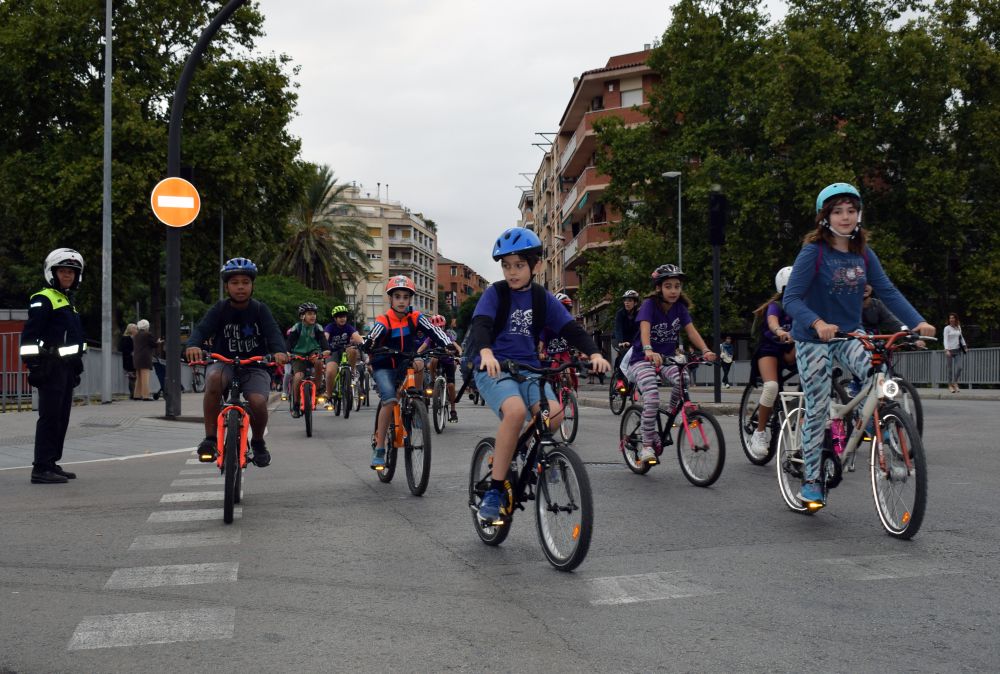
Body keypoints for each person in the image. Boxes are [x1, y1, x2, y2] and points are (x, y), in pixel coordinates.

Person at [783, 182, 935, 508]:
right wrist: (817, 323)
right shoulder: (814, 252)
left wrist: (917, 322)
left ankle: (889, 440)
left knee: (881, 378)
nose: (845, 217)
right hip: (814, 337)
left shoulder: (863, 253)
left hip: (850, 333)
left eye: (851, 211)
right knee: (819, 406)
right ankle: (812, 479)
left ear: (859, 214)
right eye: (837, 211)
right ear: (825, 217)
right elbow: (791, 298)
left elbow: (888, 291)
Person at [467, 227, 610, 523]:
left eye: (519, 265)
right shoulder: (497, 293)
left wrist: (594, 353)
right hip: (494, 368)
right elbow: (481, 324)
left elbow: (570, 329)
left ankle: (524, 451)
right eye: (506, 266)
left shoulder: (542, 299)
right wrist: (486, 352)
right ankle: (494, 490)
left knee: (555, 415)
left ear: (536, 266)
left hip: (530, 370)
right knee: (516, 412)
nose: (512, 272)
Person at [184, 258, 288, 467]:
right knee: (213, 379)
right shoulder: (220, 309)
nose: (240, 286)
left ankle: (258, 442)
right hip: (224, 362)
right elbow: (202, 330)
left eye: (245, 282)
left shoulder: (260, 310)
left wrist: (279, 351)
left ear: (252, 285)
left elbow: (274, 333)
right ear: (226, 286)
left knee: (258, 402)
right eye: (235, 282)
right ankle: (210, 439)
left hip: (255, 365)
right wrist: (193, 345)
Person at [361, 275, 458, 470]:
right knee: (389, 400)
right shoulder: (384, 320)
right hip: (384, 364)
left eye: (406, 297)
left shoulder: (416, 317)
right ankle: (380, 448)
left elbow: (434, 330)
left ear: (410, 299)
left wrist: (447, 344)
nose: (402, 301)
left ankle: (416, 401)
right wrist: (369, 344)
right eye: (397, 296)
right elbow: (375, 334)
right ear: (391, 298)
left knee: (420, 363)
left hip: (406, 360)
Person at [628, 264, 716, 466]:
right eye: (668, 286)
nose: (674, 290)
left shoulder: (680, 308)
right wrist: (649, 349)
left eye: (677, 286)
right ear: (659, 288)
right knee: (651, 397)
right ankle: (647, 444)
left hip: (667, 358)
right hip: (643, 358)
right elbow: (644, 329)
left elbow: (691, 331)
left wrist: (706, 350)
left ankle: (673, 410)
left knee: (683, 378)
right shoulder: (650, 305)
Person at [19, 248, 87, 484]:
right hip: (50, 367)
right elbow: (29, 336)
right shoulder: (43, 298)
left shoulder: (67, 301)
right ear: (52, 273)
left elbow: (71, 339)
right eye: (63, 271)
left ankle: (51, 462)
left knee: (61, 417)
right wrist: (34, 366)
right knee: (49, 417)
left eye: (71, 272)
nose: (67, 275)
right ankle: (40, 467)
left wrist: (76, 367)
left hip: (66, 368)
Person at [748, 266, 797, 456]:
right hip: (770, 349)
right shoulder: (776, 306)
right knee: (771, 387)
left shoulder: (805, 305)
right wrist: (779, 331)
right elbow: (772, 322)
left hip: (790, 349)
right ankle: (759, 433)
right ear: (783, 288)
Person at [286, 302, 331, 416]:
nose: (313, 316)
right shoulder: (297, 327)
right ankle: (296, 405)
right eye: (310, 313)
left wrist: (326, 351)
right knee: (298, 376)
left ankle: (318, 387)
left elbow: (325, 345)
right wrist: (288, 353)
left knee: (320, 362)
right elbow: (288, 344)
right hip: (298, 355)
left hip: (313, 353)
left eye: (314, 314)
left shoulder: (317, 328)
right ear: (302, 316)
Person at [418, 314, 461, 422]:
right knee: (433, 360)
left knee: (451, 385)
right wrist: (416, 354)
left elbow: (457, 347)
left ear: (444, 326)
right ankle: (433, 381)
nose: (439, 329)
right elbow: (422, 348)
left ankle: (453, 410)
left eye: (441, 327)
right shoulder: (430, 338)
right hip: (435, 362)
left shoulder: (448, 336)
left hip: (448, 362)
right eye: (436, 327)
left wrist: (460, 354)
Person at [322, 305, 364, 409]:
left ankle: (353, 372)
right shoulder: (330, 327)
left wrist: (363, 343)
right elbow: (325, 337)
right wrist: (324, 346)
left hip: (345, 351)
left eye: (344, 316)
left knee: (353, 350)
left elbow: (357, 337)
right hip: (333, 352)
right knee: (331, 371)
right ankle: (329, 396)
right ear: (335, 318)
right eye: (340, 316)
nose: (342, 318)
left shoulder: (349, 327)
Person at [538, 293, 577, 390]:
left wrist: (585, 352)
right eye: (561, 309)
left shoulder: (569, 324)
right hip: (550, 355)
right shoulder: (548, 324)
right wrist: (540, 352)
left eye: (567, 309)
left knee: (569, 374)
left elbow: (578, 338)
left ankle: (567, 393)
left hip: (564, 354)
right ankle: (549, 393)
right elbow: (541, 340)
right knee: (548, 376)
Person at [613, 290, 640, 382]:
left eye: (629, 300)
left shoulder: (639, 314)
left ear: (635, 303)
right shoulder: (620, 313)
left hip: (633, 340)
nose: (626, 303)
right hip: (619, 339)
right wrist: (621, 342)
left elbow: (639, 330)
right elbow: (618, 329)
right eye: (625, 300)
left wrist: (633, 342)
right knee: (623, 354)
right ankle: (620, 380)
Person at [132, 319, 157, 400]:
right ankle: (145, 396)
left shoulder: (136, 335)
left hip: (137, 358)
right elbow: (153, 344)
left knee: (138, 378)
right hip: (145, 358)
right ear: (147, 327)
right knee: (145, 377)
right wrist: (159, 342)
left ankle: (137, 395)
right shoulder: (147, 334)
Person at [943, 312, 966, 393]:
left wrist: (964, 346)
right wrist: (946, 350)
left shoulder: (958, 327)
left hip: (957, 350)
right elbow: (945, 339)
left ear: (956, 319)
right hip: (949, 351)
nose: (951, 319)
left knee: (960, 367)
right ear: (949, 320)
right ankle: (950, 386)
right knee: (949, 370)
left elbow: (961, 337)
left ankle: (955, 383)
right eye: (950, 318)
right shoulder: (947, 328)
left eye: (953, 318)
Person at [119, 323, 137, 399]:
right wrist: (130, 352)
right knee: (132, 377)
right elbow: (123, 349)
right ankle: (132, 394)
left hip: (135, 360)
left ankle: (135, 393)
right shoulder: (125, 338)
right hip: (129, 360)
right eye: (135, 328)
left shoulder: (135, 338)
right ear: (130, 329)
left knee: (134, 377)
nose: (136, 330)